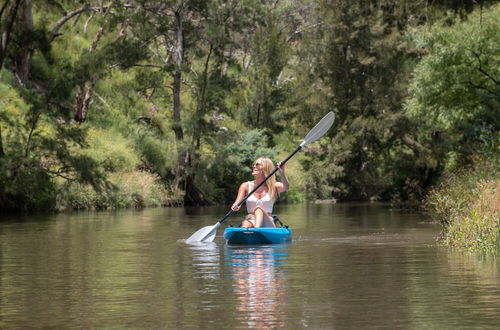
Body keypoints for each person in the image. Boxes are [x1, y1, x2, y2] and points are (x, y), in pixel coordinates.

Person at [231, 157, 289, 228]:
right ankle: (250, 231)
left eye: (257, 164)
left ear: (265, 168)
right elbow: (237, 203)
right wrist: (235, 206)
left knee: (258, 209)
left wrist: (282, 172)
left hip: (268, 222)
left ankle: (256, 229)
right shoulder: (245, 186)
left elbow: (286, 187)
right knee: (245, 223)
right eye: (254, 164)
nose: (254, 166)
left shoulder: (274, 186)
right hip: (251, 219)